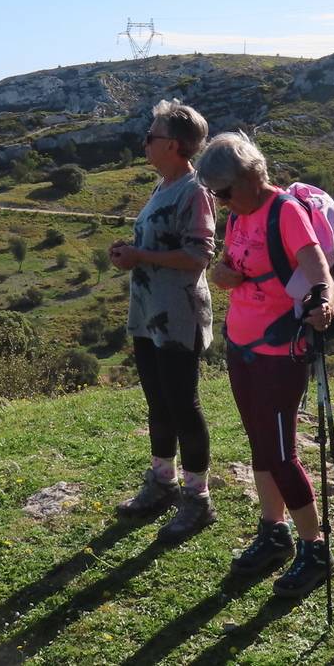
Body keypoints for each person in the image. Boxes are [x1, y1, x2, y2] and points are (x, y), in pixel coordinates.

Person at [197, 131, 334, 598]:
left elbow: (317, 268)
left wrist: (324, 302)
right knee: (261, 446)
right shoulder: (237, 216)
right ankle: (273, 533)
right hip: (243, 346)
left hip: (281, 353)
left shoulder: (285, 212)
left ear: (252, 176)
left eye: (224, 191)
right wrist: (223, 274)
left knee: (281, 454)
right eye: (215, 194)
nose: (220, 201)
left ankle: (315, 550)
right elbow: (226, 268)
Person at [110, 100, 216, 544]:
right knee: (158, 402)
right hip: (149, 314)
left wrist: (141, 256)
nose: (145, 143)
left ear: (172, 144)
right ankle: (162, 482)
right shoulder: (163, 185)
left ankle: (198, 499)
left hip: (177, 316)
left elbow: (199, 256)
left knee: (182, 405)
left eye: (150, 137)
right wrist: (129, 255)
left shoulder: (195, 190)